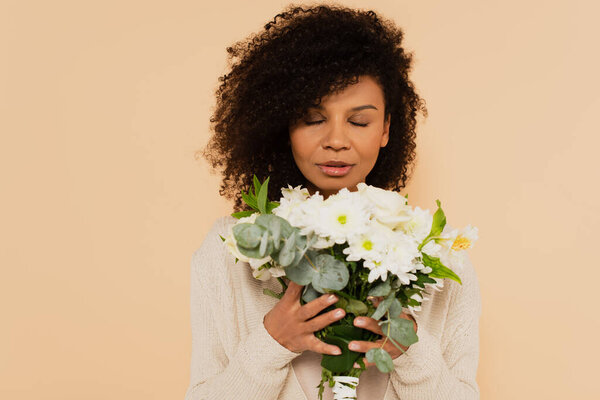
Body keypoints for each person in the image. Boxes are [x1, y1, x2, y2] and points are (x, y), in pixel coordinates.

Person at [185, 4, 482, 400]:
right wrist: (272, 341)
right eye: (312, 119)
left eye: (359, 121)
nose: (337, 140)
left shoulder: (442, 257)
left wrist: (409, 350)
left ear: (386, 129)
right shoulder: (231, 248)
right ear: (283, 127)